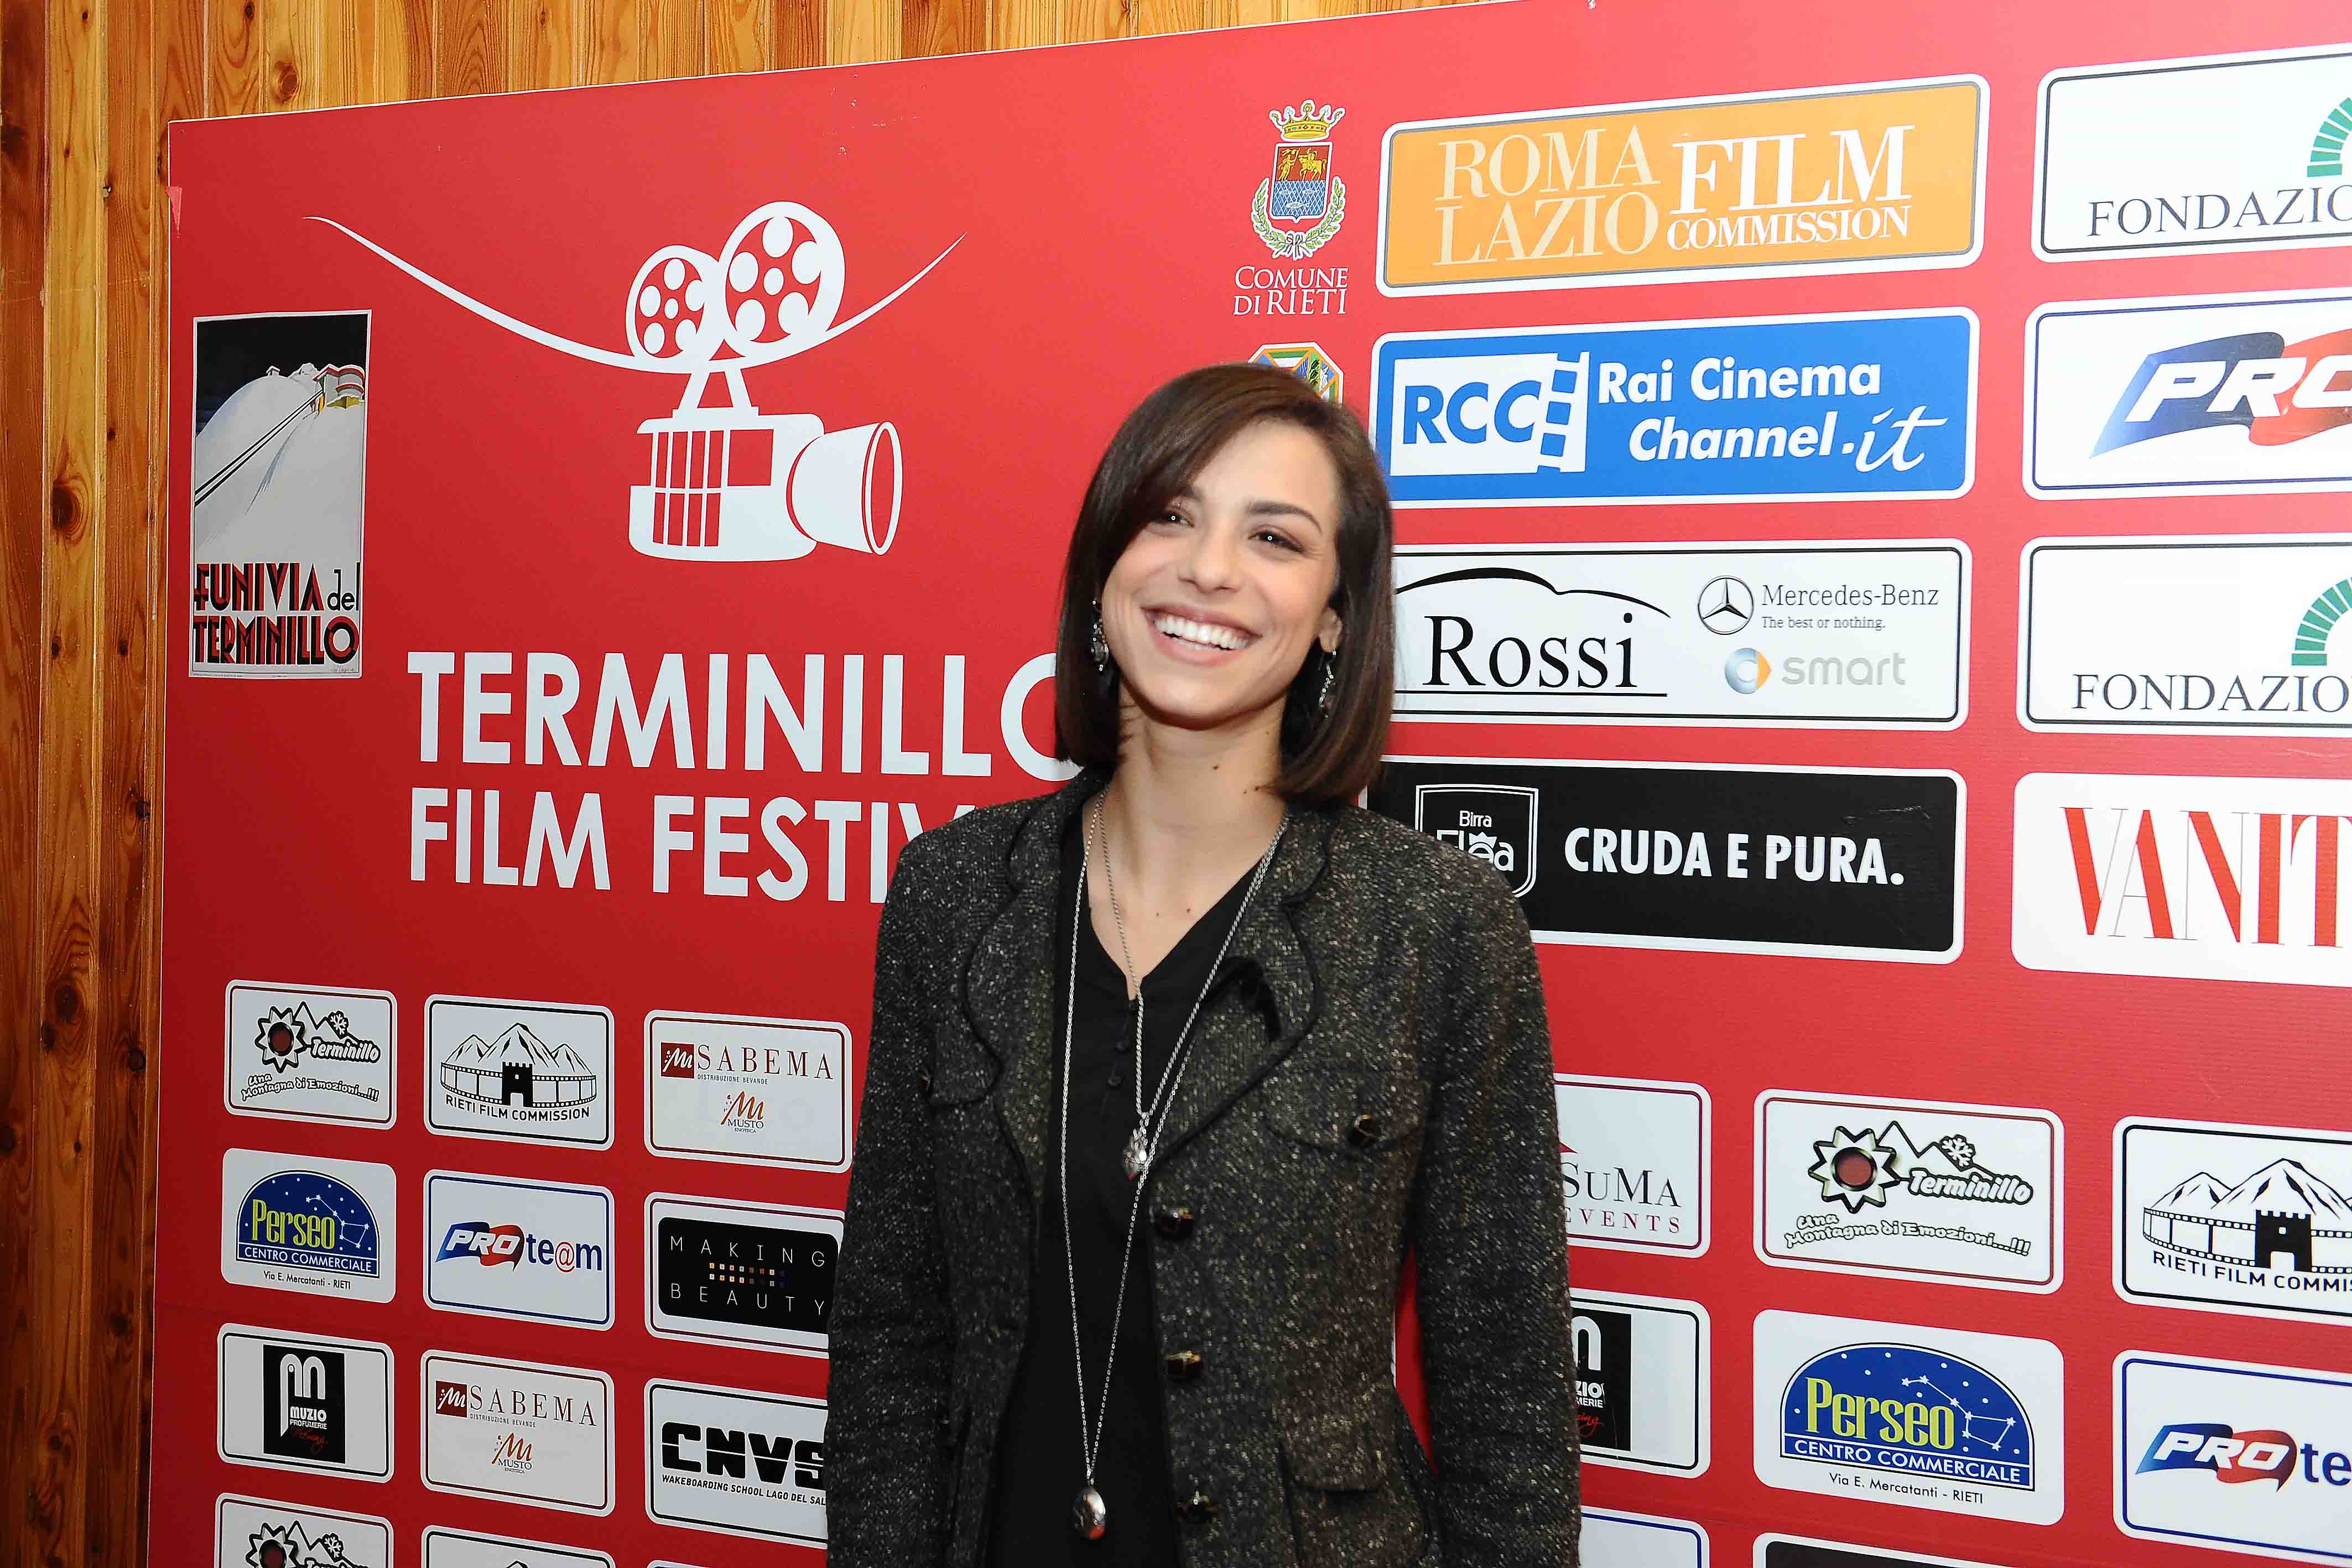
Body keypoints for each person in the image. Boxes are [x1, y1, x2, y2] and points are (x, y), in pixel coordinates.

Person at [826, 363, 1579, 1568]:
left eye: (1274, 538)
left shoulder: (1436, 923)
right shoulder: (953, 891)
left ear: (1334, 616)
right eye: (1170, 515)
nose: (1209, 569)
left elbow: (1505, 1383)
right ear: (1104, 566)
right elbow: (892, 1331)